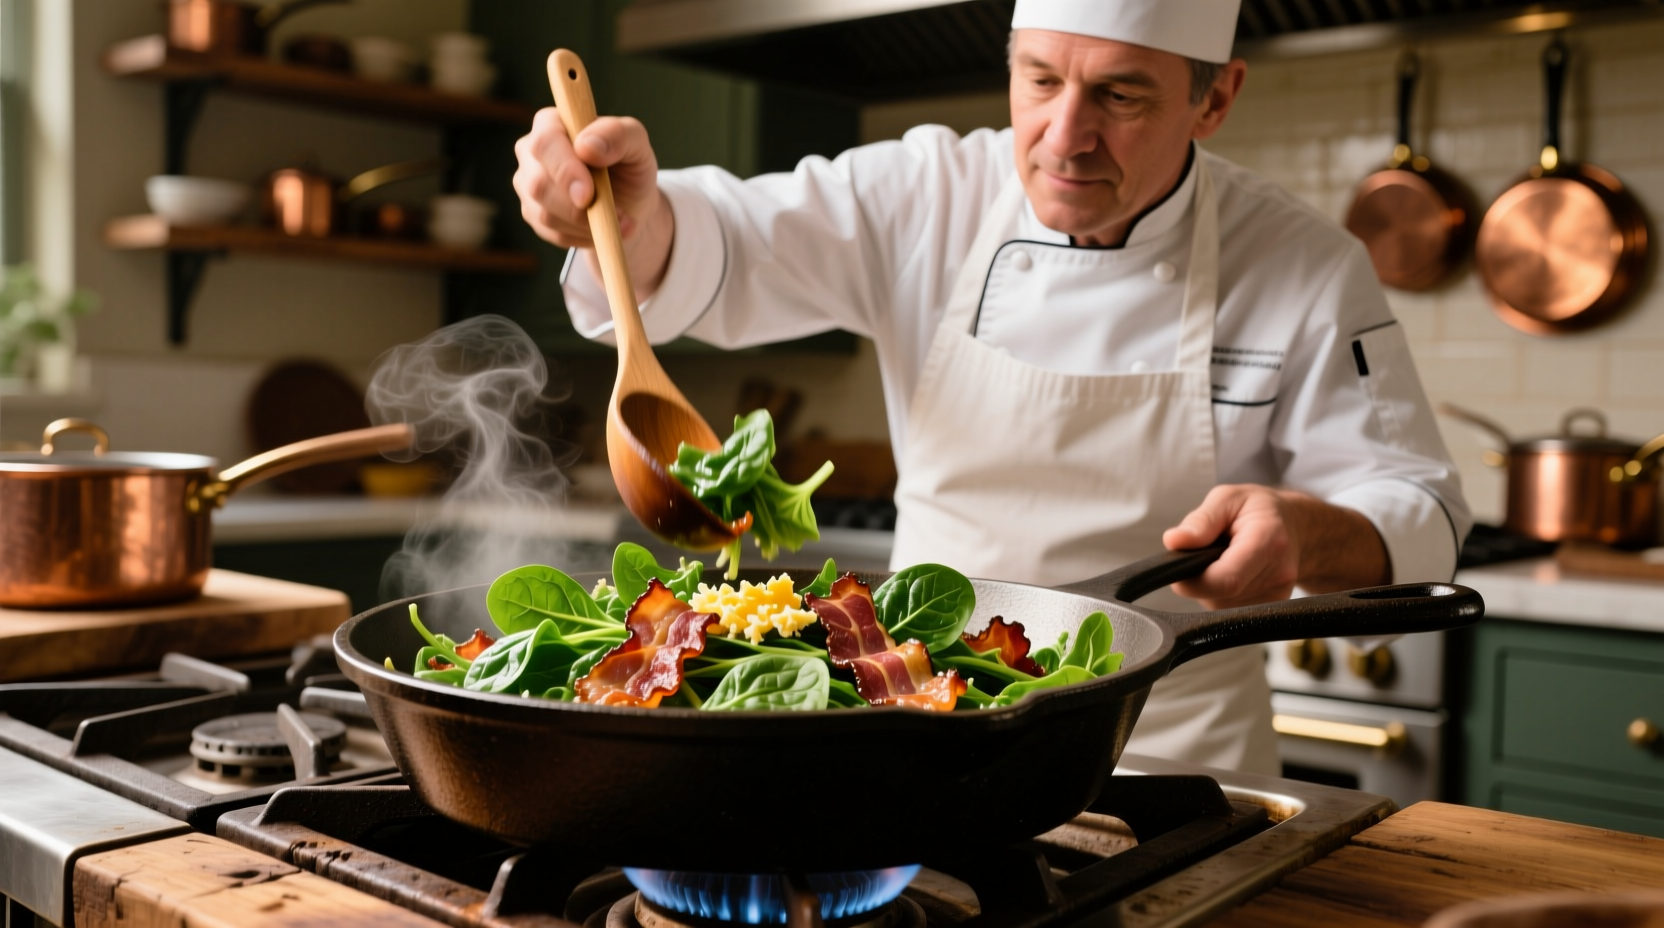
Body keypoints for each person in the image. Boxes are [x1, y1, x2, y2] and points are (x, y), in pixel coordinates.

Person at [513, 0, 1469, 773]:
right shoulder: (926, 193)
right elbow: (716, 239)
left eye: (1122, 96)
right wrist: (627, 219)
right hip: (919, 731)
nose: (1066, 136)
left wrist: (1303, 532)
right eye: (1040, 79)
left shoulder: (1302, 265)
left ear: (1214, 101)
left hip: (1174, 762)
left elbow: (1418, 505)